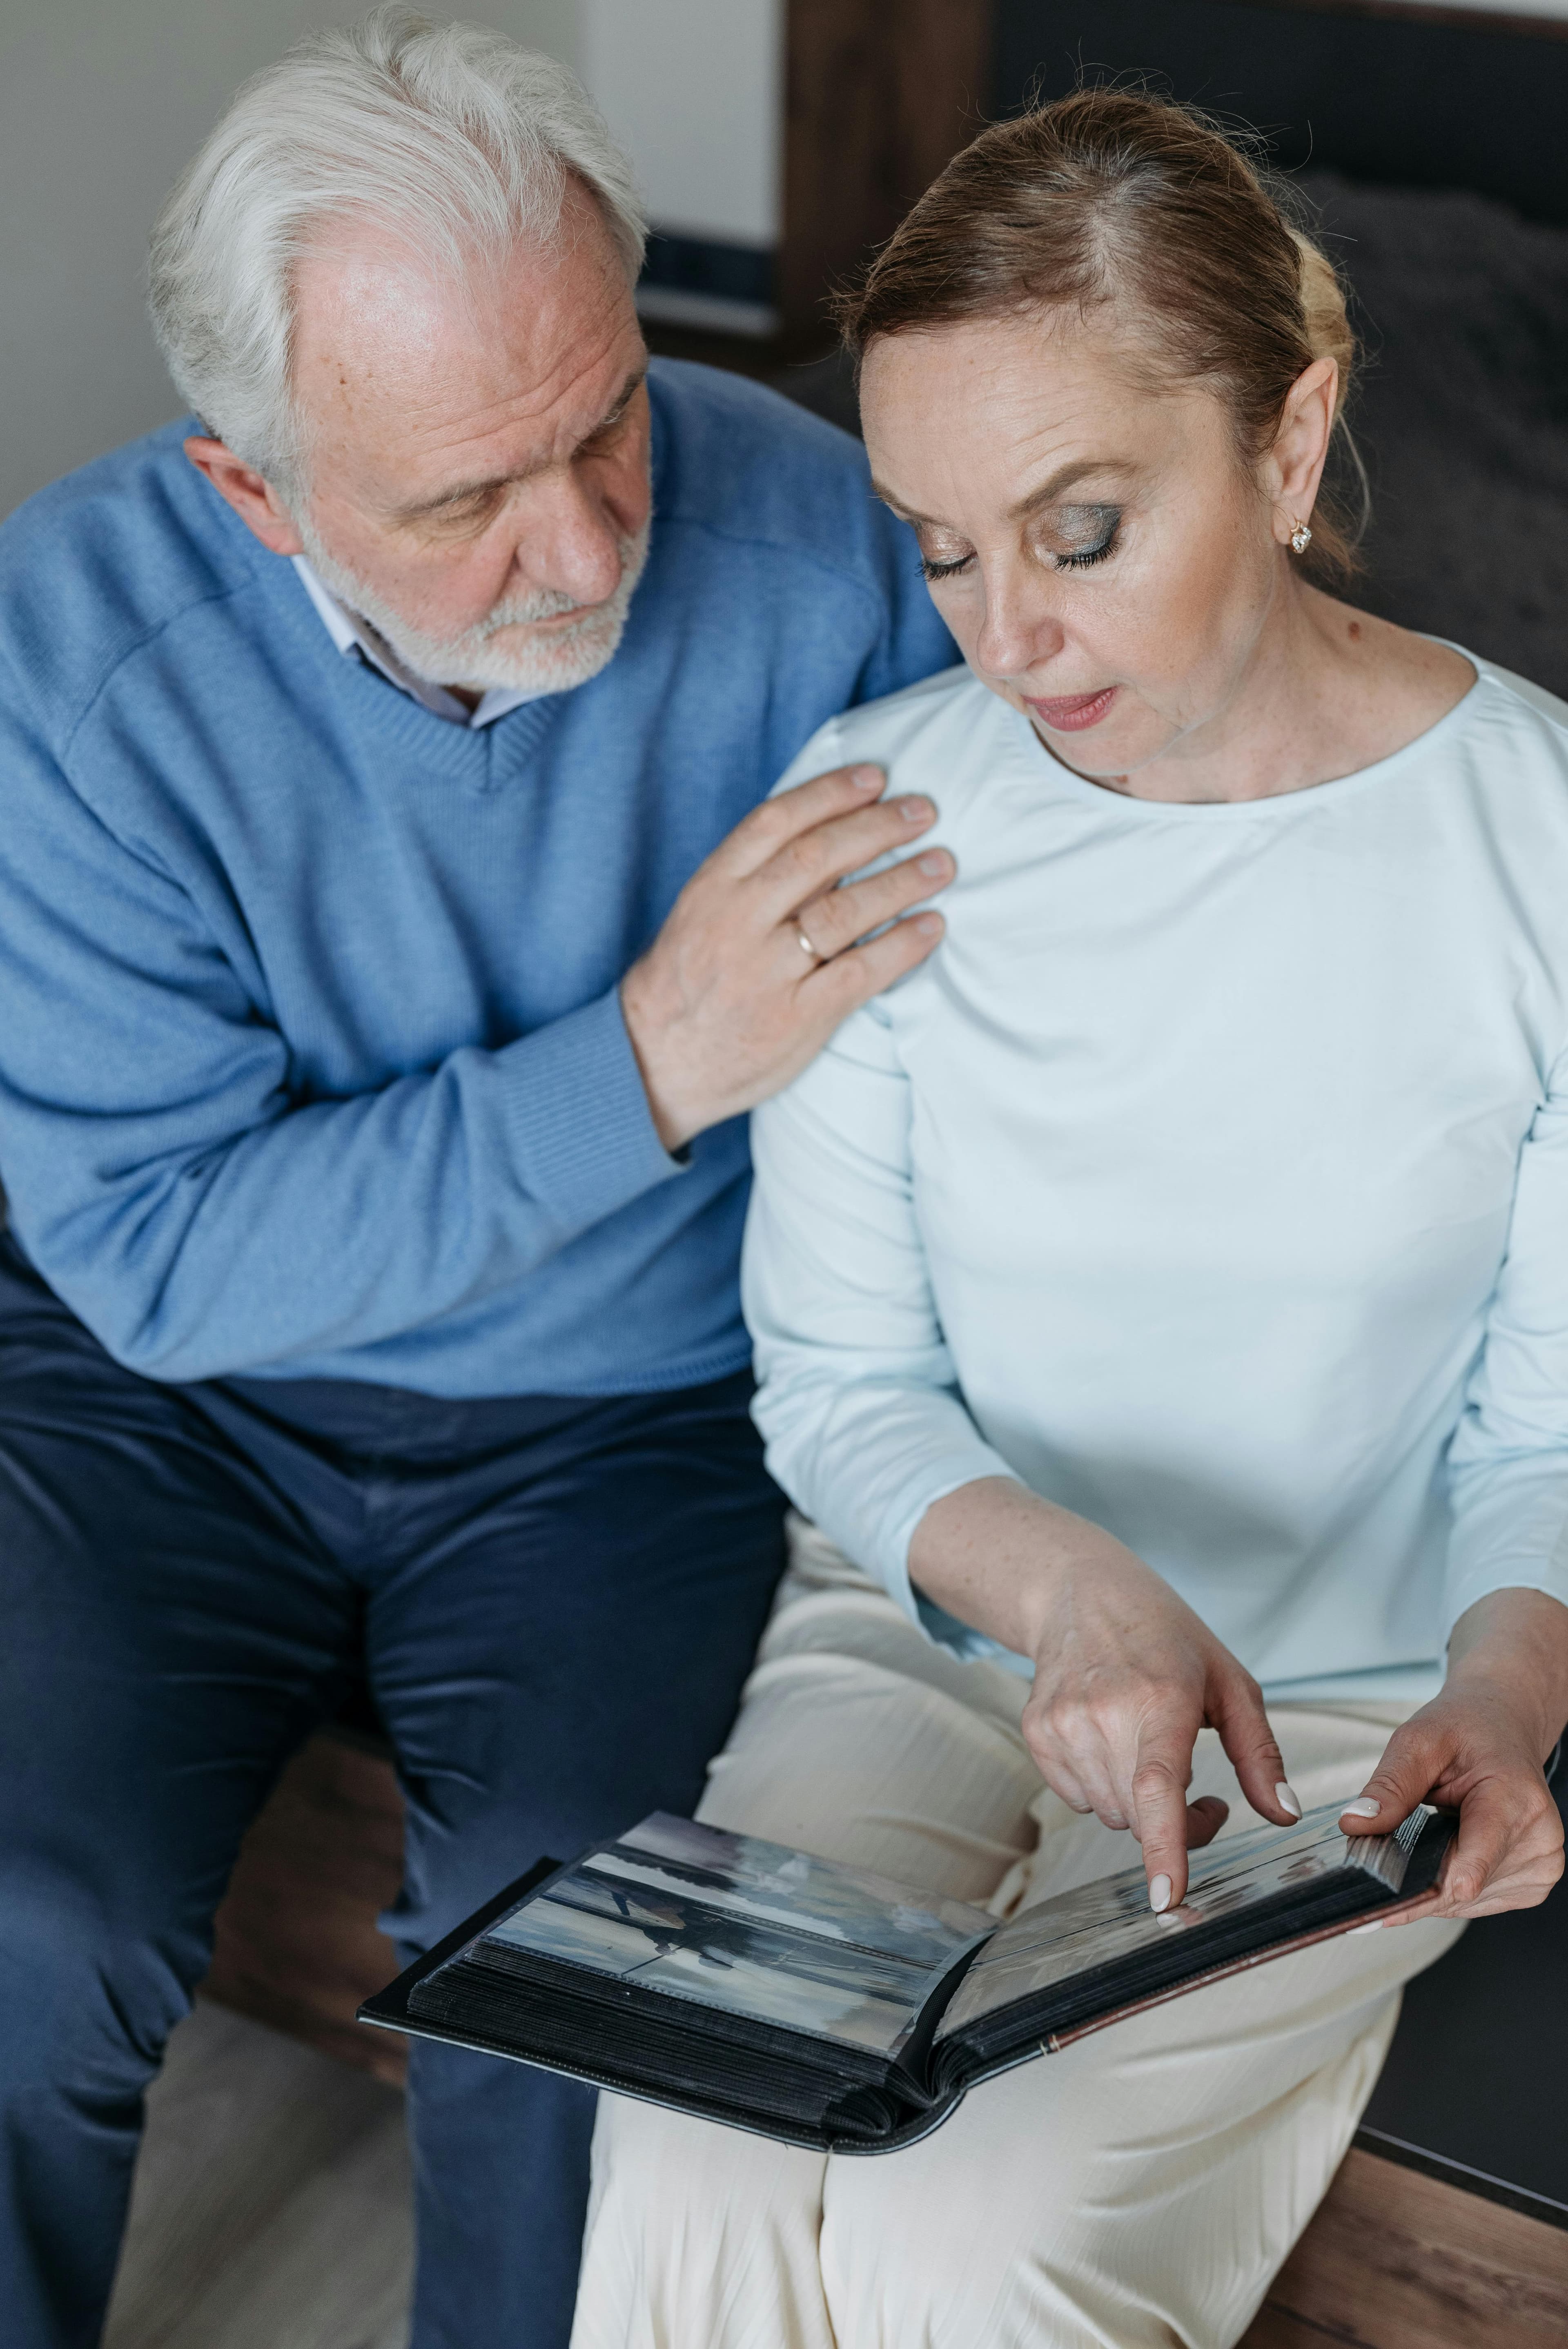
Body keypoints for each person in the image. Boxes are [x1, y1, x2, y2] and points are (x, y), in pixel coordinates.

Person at [572, 89, 1568, 2349]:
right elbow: (840, 1383)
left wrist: (1505, 1705)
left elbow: (1548, 1434)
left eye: (1083, 527)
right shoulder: (880, 814)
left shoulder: (1546, 849)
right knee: (705, 2134)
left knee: (975, 2235)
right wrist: (1079, 1594)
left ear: (1291, 443)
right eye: (939, 546)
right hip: (931, 1640)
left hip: (1341, 1708)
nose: (1009, 636)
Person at [0, 11, 958, 2347]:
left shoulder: (823, 538)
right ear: (257, 487)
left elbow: (978, 1047)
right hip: (173, 1398)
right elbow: (156, 1249)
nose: (591, 535)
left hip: (629, 1419)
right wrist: (645, 1061)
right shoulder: (70, 656)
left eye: (607, 412)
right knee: (30, 1906)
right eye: (465, 498)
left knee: (578, 1967)